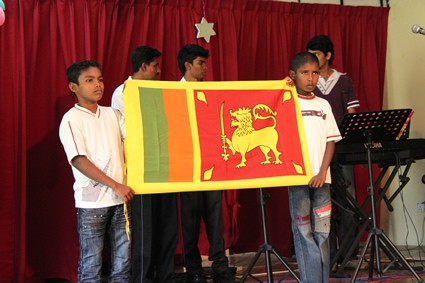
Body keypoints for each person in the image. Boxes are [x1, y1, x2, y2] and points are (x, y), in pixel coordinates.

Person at [59, 60, 135, 282]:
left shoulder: (113, 114)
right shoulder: (72, 119)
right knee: (92, 264)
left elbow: (132, 140)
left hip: (120, 200)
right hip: (92, 204)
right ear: (74, 87)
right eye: (89, 80)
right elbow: (79, 160)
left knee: (123, 264)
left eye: (100, 80)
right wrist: (115, 185)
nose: (98, 85)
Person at [111, 46, 178, 283]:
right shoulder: (123, 93)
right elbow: (125, 131)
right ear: (143, 66)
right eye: (156, 66)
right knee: (145, 232)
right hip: (141, 171)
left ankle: (167, 276)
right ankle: (143, 279)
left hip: (165, 167)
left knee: (168, 228)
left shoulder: (160, 90)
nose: (159, 71)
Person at [177, 44, 235, 283]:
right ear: (188, 65)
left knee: (215, 217)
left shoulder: (211, 91)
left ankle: (220, 265)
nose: (205, 68)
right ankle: (193, 270)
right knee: (189, 221)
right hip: (187, 166)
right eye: (201, 63)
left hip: (212, 163)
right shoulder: (172, 92)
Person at [287, 52, 342, 283]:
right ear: (293, 75)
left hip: (322, 179)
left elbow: (331, 141)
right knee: (304, 233)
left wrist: (322, 172)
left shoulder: (324, 104)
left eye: (315, 73)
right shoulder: (287, 102)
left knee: (322, 232)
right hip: (298, 179)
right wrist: (283, 87)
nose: (311, 78)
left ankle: (322, 279)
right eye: (304, 73)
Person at [307, 35, 360, 266]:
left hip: (343, 148)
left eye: (316, 54)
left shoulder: (344, 81)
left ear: (327, 55)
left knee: (349, 200)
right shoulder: (308, 81)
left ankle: (348, 253)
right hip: (317, 150)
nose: (312, 59)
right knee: (321, 201)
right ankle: (323, 253)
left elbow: (353, 114)